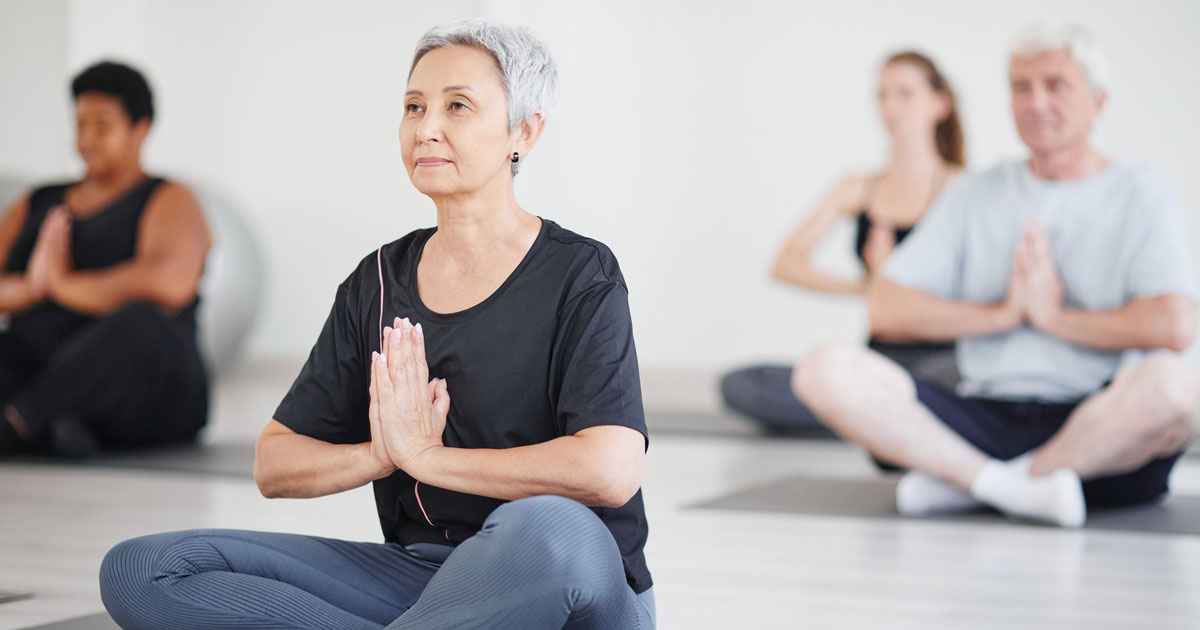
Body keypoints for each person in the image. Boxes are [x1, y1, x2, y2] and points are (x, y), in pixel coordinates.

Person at [99, 19, 654, 630]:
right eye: (413, 106)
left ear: (523, 131)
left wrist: (428, 458)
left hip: (564, 581)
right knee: (145, 568)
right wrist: (381, 454)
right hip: (421, 577)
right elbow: (275, 464)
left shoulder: (580, 273)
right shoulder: (378, 281)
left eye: (458, 106)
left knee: (546, 523)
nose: (427, 128)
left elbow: (609, 470)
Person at [793, 22, 1199, 528]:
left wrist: (1053, 318)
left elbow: (1174, 326)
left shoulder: (1142, 194)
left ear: (1097, 101)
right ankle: (1014, 485)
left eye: (1055, 85)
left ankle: (976, 483)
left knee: (1177, 389)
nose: (1035, 103)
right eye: (1021, 87)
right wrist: (1005, 314)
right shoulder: (976, 193)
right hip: (981, 414)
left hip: (1098, 425)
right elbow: (886, 307)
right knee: (821, 367)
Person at [722, 51, 963, 433]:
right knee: (743, 384)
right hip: (876, 362)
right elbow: (786, 262)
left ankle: (874, 419)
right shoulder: (857, 188)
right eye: (882, 95)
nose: (890, 107)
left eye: (904, 94)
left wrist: (893, 283)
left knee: (946, 385)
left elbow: (979, 294)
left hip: (941, 364)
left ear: (940, 104)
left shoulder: (962, 189)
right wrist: (868, 287)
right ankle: (872, 418)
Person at [0, 61, 211, 457]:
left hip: (149, 381)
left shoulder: (170, 198)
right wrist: (31, 287)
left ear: (141, 128)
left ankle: (18, 425)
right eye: (80, 125)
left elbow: (168, 284)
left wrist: (61, 284)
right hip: (48, 363)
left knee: (140, 323)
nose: (87, 140)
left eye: (102, 126)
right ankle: (58, 427)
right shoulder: (39, 200)